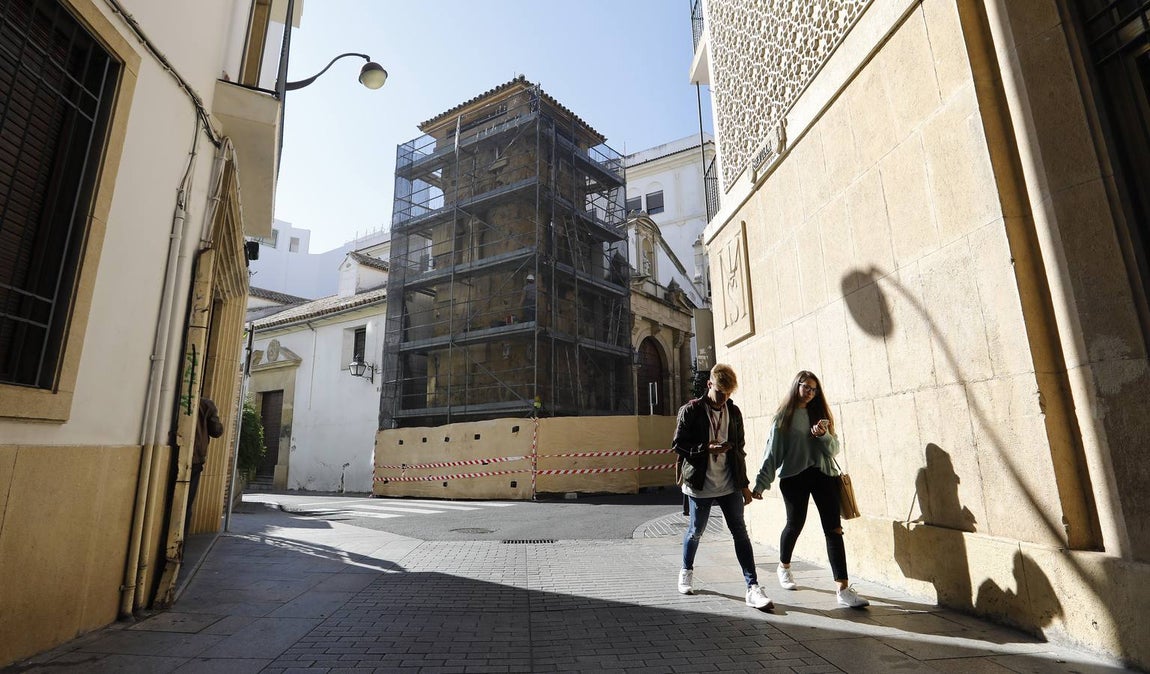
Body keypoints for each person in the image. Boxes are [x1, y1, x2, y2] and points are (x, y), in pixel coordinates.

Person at [751, 370, 869, 608]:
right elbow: (772, 454)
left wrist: (824, 436)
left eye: (814, 389)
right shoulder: (784, 416)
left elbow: (834, 449)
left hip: (824, 475)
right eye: (806, 387)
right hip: (794, 477)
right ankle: (784, 566)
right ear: (797, 386)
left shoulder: (821, 414)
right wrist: (761, 484)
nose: (810, 393)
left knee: (834, 529)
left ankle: (843, 588)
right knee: (795, 524)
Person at [673, 363, 773, 609]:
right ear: (709, 385)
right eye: (720, 392)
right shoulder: (691, 411)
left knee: (740, 532)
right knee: (696, 530)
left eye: (728, 394)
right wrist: (705, 448)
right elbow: (678, 445)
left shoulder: (734, 412)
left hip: (729, 483)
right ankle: (686, 570)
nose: (723, 398)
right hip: (700, 483)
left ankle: (752, 587)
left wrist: (745, 486)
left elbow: (740, 450)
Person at [187, 397, 224, 532]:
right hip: (195, 459)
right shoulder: (206, 404)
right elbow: (216, 431)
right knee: (186, 505)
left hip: (176, 455)